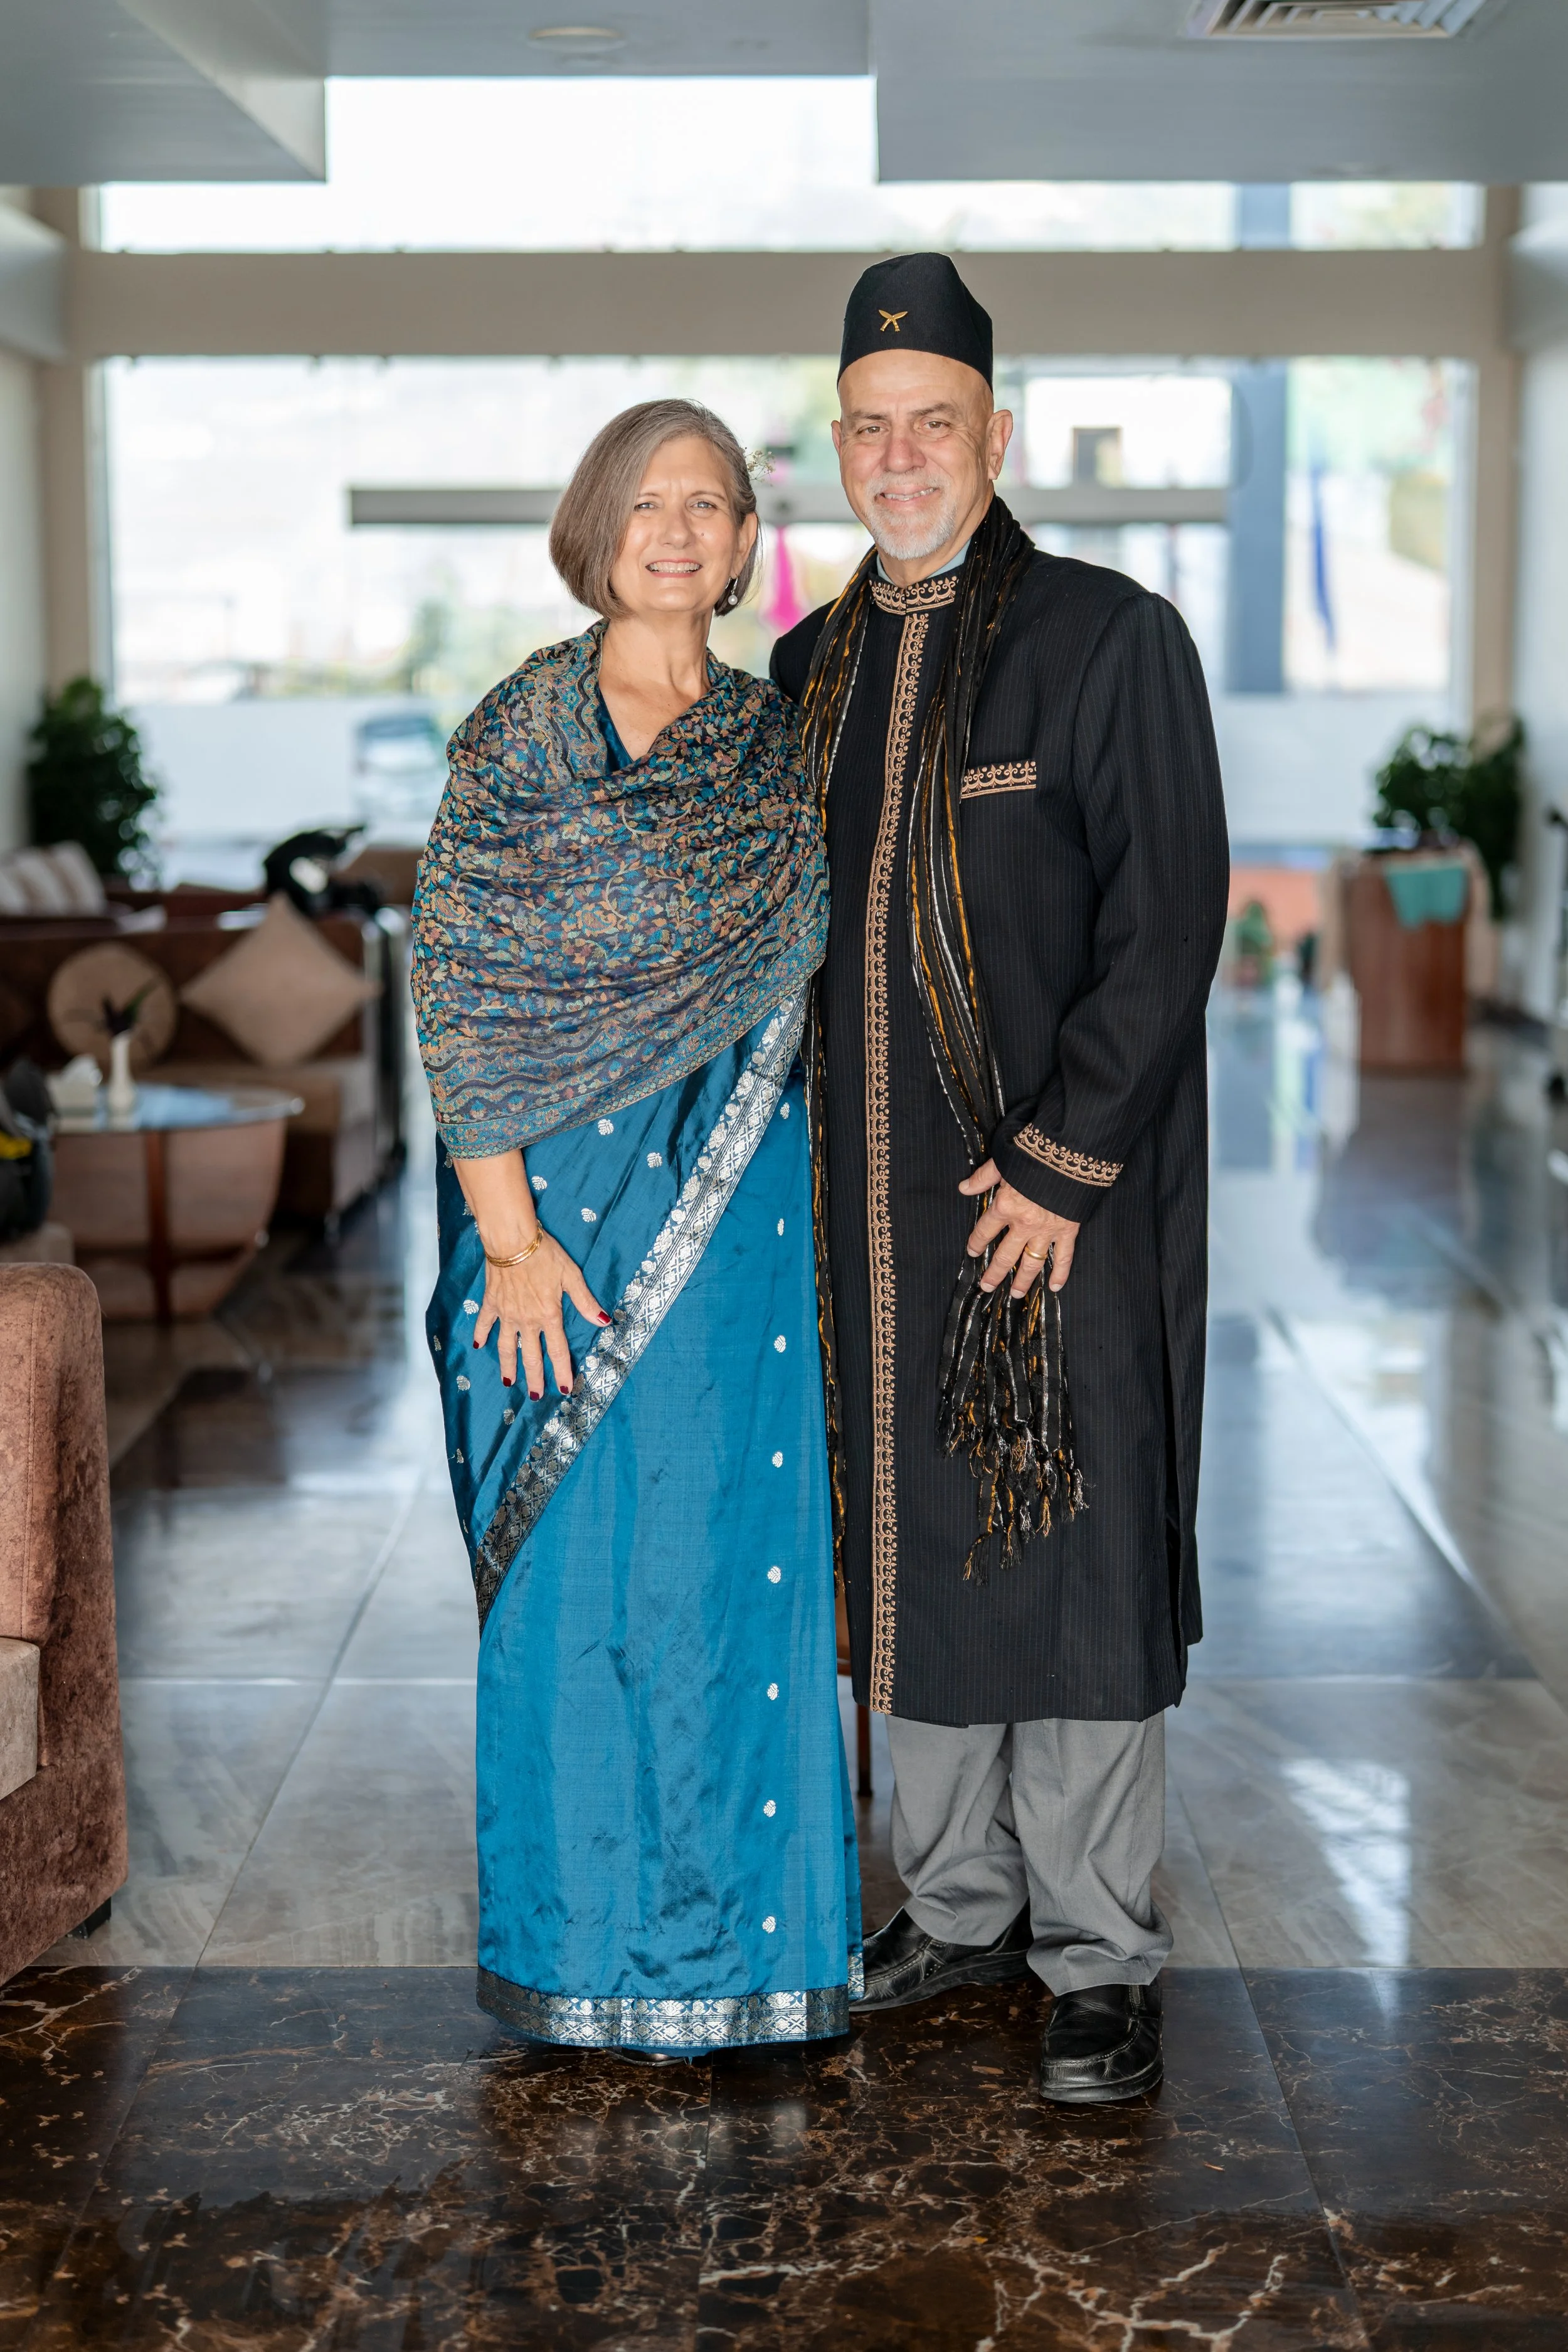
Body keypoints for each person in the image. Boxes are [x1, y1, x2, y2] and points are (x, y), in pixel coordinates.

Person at [770, 255, 1228, 2104]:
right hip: (867, 1222)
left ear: (993, 433)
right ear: (840, 446)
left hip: (1062, 1211)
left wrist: (1055, 1161)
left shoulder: (1109, 639)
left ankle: (1097, 1949)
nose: (898, 458)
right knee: (909, 1548)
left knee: (1076, 1551)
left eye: (930, 424)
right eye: (868, 429)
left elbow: (1165, 926)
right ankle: (951, 1903)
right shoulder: (805, 672)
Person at [413, 398, 860, 2057]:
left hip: (744, 1223)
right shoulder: (522, 728)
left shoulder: (775, 741)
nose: (678, 532)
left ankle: (745, 1961)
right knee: (583, 1576)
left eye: (711, 505)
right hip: (558, 1231)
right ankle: (583, 1947)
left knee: (728, 1575)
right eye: (648, 503)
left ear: (748, 542)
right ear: (595, 526)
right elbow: (458, 987)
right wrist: (511, 1236)